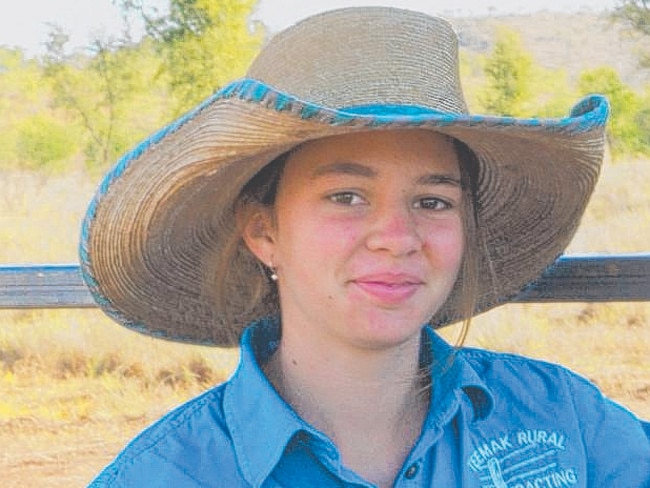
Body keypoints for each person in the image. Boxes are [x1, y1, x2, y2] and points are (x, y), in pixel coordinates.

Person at [80, 6, 650, 487]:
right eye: (346, 196)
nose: (397, 239)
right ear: (264, 232)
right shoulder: (172, 473)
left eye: (433, 202)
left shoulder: (565, 420)